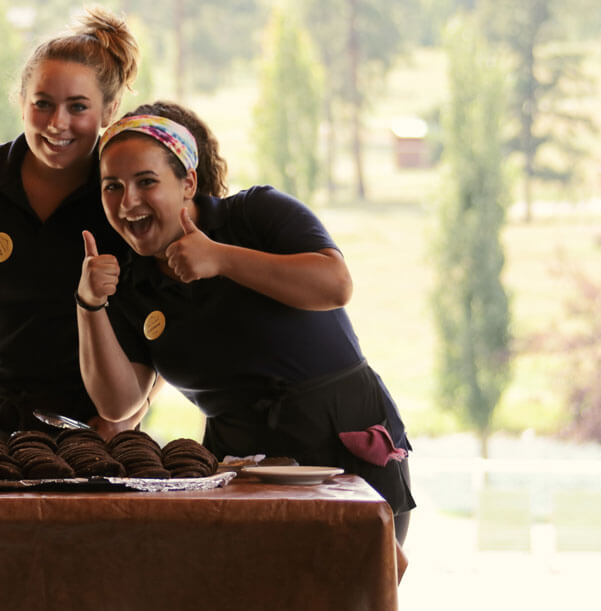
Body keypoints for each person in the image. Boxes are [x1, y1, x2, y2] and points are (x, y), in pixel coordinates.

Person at [77, 102, 414, 542]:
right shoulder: (130, 280)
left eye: (146, 182)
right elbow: (118, 404)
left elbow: (335, 284)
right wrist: (89, 305)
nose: (129, 202)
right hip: (240, 465)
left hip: (341, 441)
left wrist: (221, 259)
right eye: (112, 187)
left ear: (188, 184)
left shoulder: (255, 215)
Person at [0, 8, 147, 442]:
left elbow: (156, 320)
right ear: (21, 101)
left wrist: (136, 406)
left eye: (78, 107)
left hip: (82, 429)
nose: (57, 123)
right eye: (43, 103)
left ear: (109, 110)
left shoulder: (124, 197)